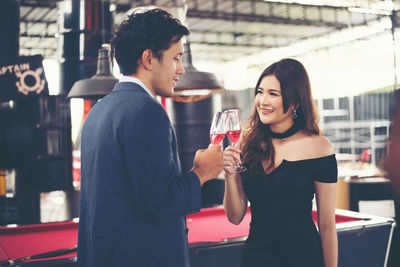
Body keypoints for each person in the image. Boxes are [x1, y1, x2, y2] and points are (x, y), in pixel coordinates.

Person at [77, 9, 224, 267]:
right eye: (176, 58)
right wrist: (202, 172)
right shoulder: (147, 111)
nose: (180, 70)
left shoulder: (99, 110)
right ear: (148, 58)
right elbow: (160, 204)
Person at [223, 58, 338, 267]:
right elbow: (235, 216)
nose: (262, 101)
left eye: (272, 94)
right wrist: (230, 175)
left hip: (303, 259)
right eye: (260, 91)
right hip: (255, 259)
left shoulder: (320, 148)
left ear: (294, 101)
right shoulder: (247, 145)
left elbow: (327, 224)